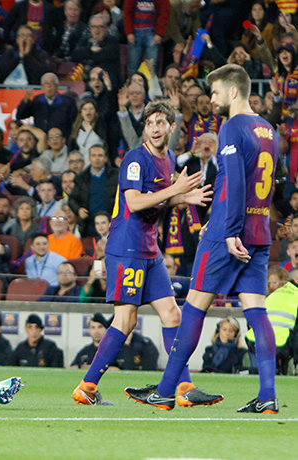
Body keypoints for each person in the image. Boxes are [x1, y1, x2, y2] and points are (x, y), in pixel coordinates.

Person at [126, 65, 281, 414]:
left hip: (227, 231)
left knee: (195, 304)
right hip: (259, 233)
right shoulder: (269, 130)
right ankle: (268, 394)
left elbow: (237, 184)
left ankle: (166, 390)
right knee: (256, 310)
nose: (211, 100)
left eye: (215, 93)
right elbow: (269, 184)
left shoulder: (232, 128)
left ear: (234, 92)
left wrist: (228, 232)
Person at [74, 99, 216, 407]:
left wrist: (183, 197)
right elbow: (136, 202)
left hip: (149, 250)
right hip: (126, 248)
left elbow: (158, 201)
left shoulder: (167, 160)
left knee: (172, 313)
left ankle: (183, 387)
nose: (154, 128)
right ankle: (87, 386)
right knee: (125, 321)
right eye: (150, 123)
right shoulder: (135, 159)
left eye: (160, 123)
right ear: (145, 128)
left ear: (171, 127)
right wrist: (175, 190)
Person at [245, 267, 298, 376]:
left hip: (254, 341)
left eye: (274, 282)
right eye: (270, 282)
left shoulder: (268, 298)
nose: (272, 285)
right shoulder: (294, 295)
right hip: (282, 343)